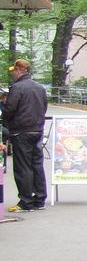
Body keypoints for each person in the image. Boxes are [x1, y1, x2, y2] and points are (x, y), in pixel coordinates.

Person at [5, 58, 48, 212]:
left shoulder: (17, 88)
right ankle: (40, 199)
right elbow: (44, 107)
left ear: (18, 70)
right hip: (37, 130)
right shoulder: (39, 87)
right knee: (36, 164)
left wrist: (7, 122)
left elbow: (10, 109)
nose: (13, 75)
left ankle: (25, 201)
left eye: (14, 71)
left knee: (22, 166)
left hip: (21, 131)